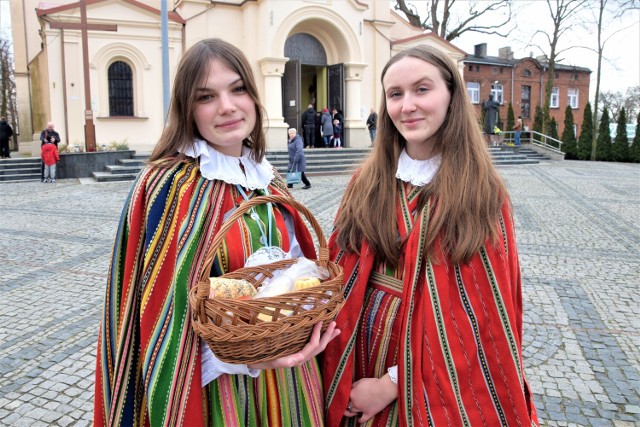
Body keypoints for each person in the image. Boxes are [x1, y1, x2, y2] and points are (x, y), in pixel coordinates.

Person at [93, 38, 339, 426]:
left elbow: (296, 264)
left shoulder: (268, 178)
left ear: (254, 97)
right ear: (187, 109)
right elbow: (161, 316)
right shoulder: (166, 185)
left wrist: (305, 317)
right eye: (206, 96)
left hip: (290, 374)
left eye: (238, 89)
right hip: (218, 390)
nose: (227, 106)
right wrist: (242, 356)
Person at [322, 45, 538, 426]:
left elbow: (478, 320)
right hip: (358, 354)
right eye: (395, 94)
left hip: (430, 373)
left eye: (422, 89)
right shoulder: (365, 182)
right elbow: (340, 270)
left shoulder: (481, 192)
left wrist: (391, 383)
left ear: (451, 94)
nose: (407, 106)